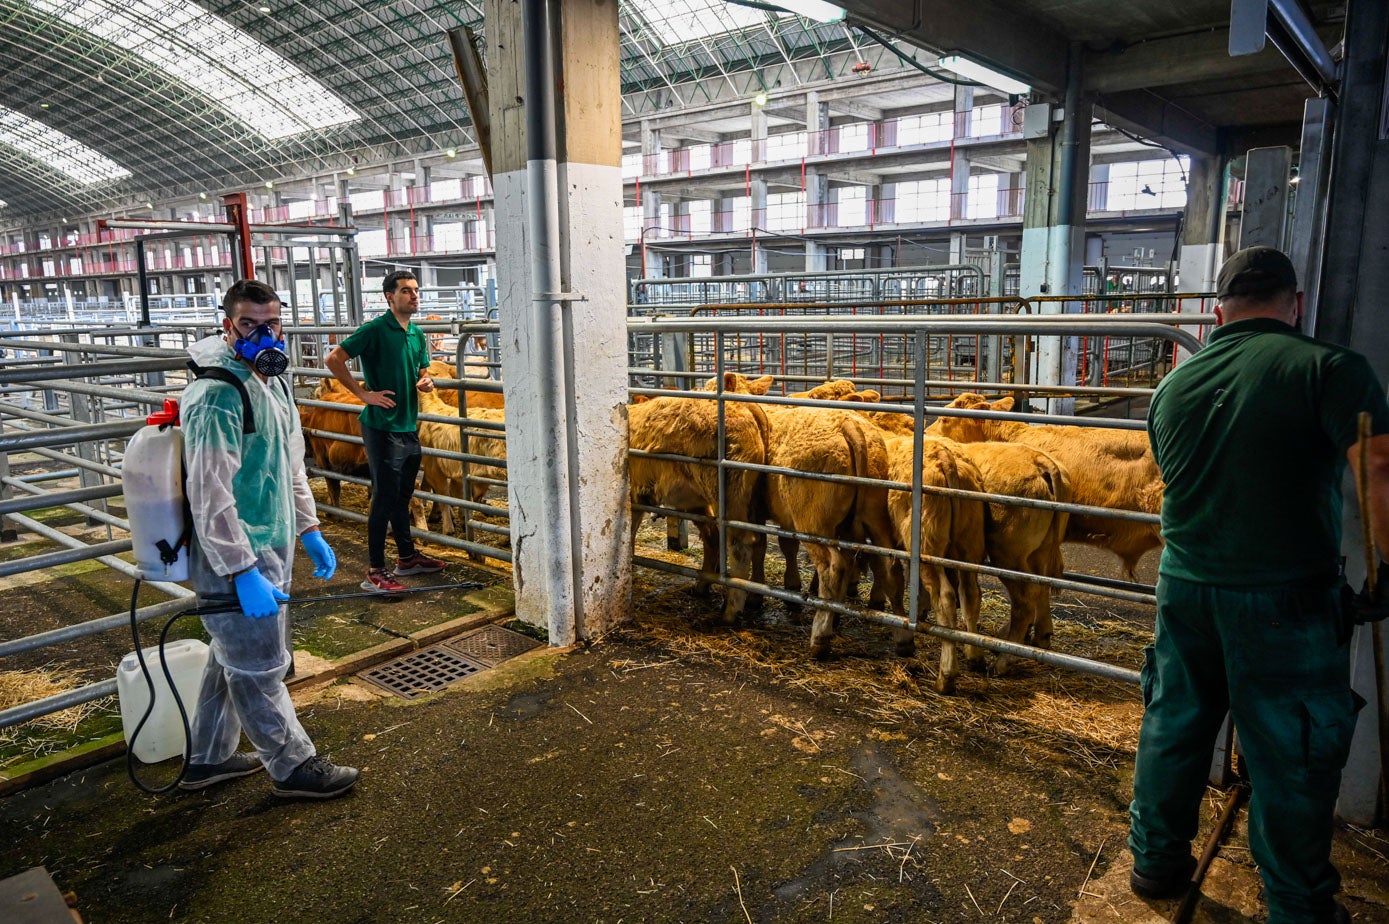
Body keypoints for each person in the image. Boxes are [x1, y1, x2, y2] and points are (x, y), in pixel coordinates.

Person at [1128, 246, 1389, 923]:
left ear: (1217, 313)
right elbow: (1380, 467)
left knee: (1173, 726)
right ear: (1293, 303)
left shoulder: (1170, 387)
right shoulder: (1330, 369)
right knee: (1290, 748)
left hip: (1182, 587)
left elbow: (1171, 476)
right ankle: (1298, 904)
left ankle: (1155, 864)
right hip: (1283, 600)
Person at [180, 279, 359, 799]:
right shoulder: (217, 393)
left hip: (273, 537)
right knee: (259, 666)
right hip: (232, 549)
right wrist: (240, 571)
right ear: (227, 325)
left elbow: (290, 463)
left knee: (231, 654)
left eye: (273, 323)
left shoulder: (273, 381)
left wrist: (310, 528)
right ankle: (292, 765)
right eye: (251, 325)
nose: (265, 334)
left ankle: (206, 757)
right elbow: (210, 496)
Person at [324, 270, 446, 594]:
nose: (414, 295)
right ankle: (375, 570)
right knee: (383, 498)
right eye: (406, 291)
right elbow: (334, 358)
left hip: (408, 425)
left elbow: (423, 371)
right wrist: (362, 395)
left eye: (416, 290)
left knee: (403, 496)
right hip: (381, 427)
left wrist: (427, 381)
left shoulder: (417, 334)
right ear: (390, 297)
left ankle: (406, 558)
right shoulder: (375, 330)